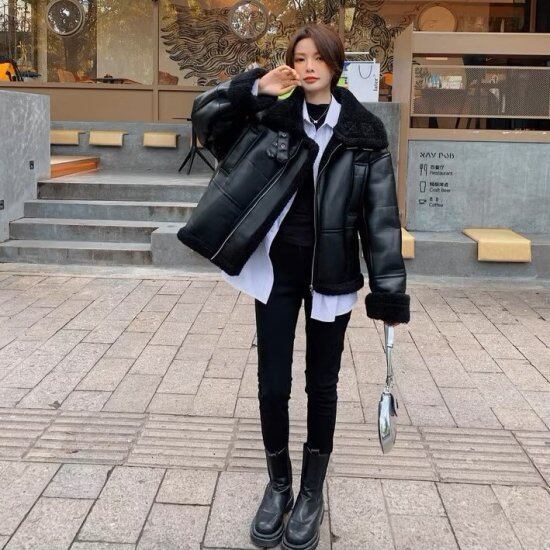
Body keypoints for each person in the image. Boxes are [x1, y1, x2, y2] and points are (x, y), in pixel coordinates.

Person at [177, 23, 410, 550]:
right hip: (277, 272)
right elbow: (205, 120)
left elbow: (380, 220)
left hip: (332, 274)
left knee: (322, 385)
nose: (308, 67)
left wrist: (388, 292)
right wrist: (253, 88)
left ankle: (310, 491)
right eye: (299, 58)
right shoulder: (272, 119)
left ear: (335, 65)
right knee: (272, 383)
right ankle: (279, 483)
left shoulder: (365, 133)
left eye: (318, 58)